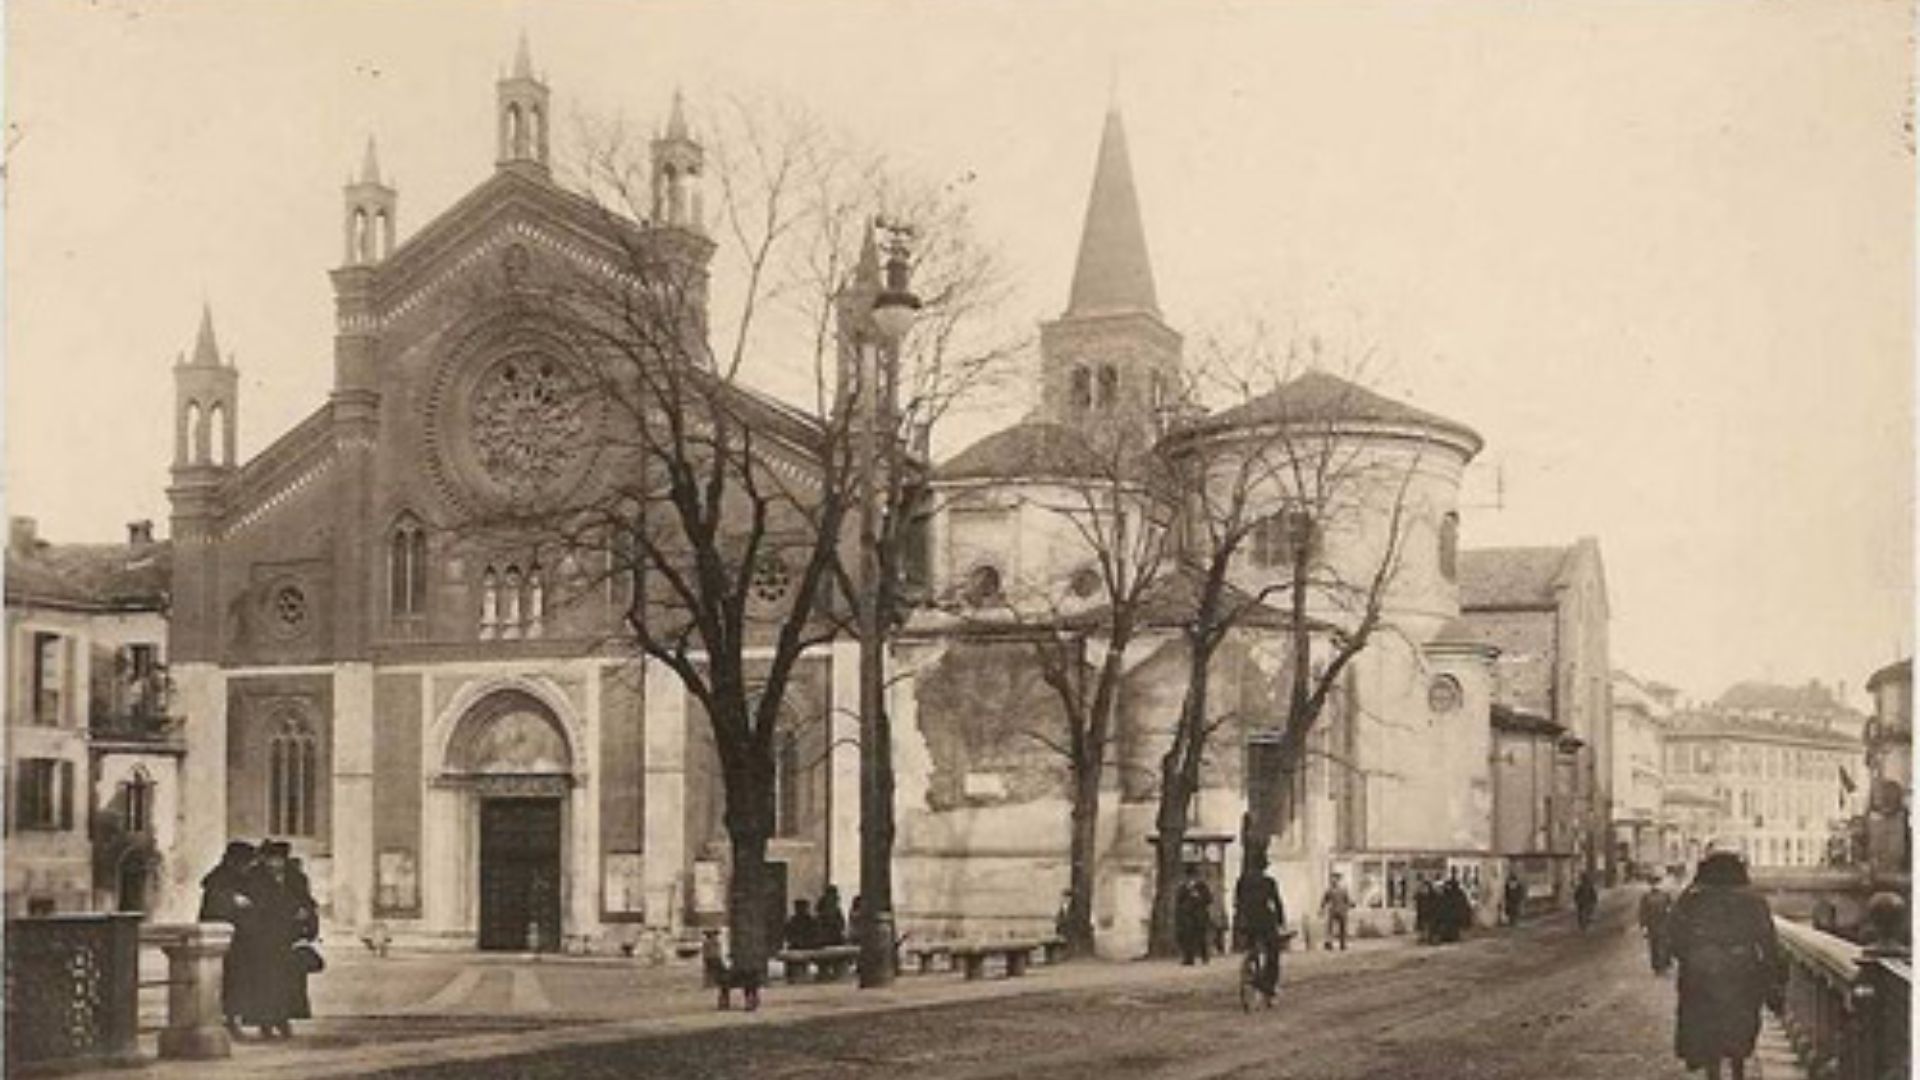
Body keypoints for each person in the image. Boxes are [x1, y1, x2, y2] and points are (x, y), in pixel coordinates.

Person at [1668, 851, 1784, 1080]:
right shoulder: (1753, 900)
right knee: (1738, 1024)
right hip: (1742, 971)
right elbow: (1768, 940)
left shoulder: (1691, 898)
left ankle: (1713, 1073)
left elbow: (1674, 935)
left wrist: (1690, 958)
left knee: (1707, 1026)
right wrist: (1773, 975)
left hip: (1701, 971)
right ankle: (1738, 1071)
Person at [235, 841, 305, 1038]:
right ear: (264, 859)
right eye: (271, 859)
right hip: (262, 939)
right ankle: (265, 1022)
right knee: (263, 982)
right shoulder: (254, 877)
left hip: (286, 937)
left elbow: (304, 899)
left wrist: (304, 912)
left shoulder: (294, 877)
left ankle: (283, 1019)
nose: (275, 863)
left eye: (279, 859)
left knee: (287, 981)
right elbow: (255, 905)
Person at [199, 841, 256, 1035]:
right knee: (224, 980)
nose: (247, 867)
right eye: (245, 862)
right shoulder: (218, 879)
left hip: (240, 938)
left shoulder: (241, 877)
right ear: (234, 861)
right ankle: (227, 1019)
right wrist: (232, 900)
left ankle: (233, 1018)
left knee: (237, 980)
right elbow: (213, 908)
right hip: (221, 938)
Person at [1233, 858, 1286, 1001]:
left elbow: (1237, 902)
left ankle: (1250, 962)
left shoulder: (1242, 882)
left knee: (1251, 945)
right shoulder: (1268, 882)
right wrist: (1281, 921)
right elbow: (1276, 902)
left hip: (1246, 922)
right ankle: (1268, 985)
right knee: (1273, 952)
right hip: (1264, 921)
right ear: (1264, 868)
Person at [1174, 865, 1214, 965]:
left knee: (1201, 937)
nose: (1191, 879)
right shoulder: (1183, 887)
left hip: (1200, 915)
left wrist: (1198, 897)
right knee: (1188, 937)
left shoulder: (1202, 886)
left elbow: (1209, 899)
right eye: (1189, 877)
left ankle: (1205, 956)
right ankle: (1189, 958)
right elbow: (1179, 901)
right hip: (1187, 916)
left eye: (1193, 876)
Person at [1640, 878, 1675, 974]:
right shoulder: (1646, 897)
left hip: (1661, 924)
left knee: (1661, 945)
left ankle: (1662, 965)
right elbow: (1643, 913)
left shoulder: (1665, 895)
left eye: (1656, 883)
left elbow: (1671, 909)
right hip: (1654, 925)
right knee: (1655, 946)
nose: (1655, 886)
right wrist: (1644, 926)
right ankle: (1658, 966)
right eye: (1653, 883)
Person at [1319, 873, 1353, 951]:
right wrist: (1321, 909)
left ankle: (1343, 944)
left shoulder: (1343, 890)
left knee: (1343, 928)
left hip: (1342, 911)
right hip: (1333, 911)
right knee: (1329, 928)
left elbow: (1347, 900)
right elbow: (1324, 901)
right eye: (1332, 879)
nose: (1333, 881)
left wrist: (1350, 905)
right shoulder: (1329, 890)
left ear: (1338, 880)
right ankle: (1329, 943)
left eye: (1335, 879)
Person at [1413, 877, 1438, 945]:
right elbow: (1415, 899)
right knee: (1422, 925)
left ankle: (1430, 938)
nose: (1424, 889)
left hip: (1429, 912)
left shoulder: (1432, 894)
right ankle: (1423, 937)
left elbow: (1435, 903)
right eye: (1424, 887)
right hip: (1422, 912)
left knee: (1429, 925)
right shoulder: (1420, 894)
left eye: (1426, 887)